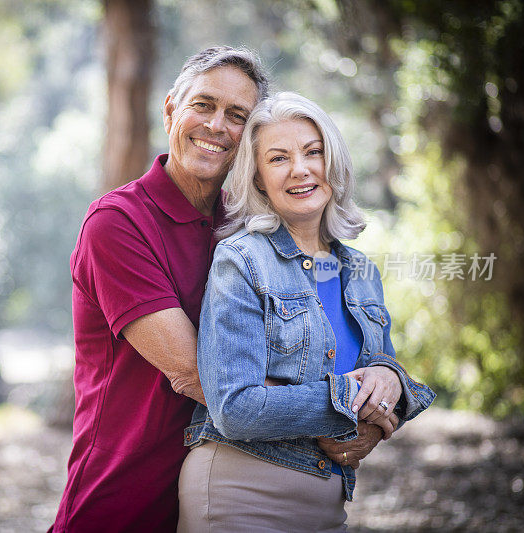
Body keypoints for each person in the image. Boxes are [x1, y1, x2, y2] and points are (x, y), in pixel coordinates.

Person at [178, 92, 436, 532]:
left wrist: (392, 384)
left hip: (328, 503)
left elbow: (382, 375)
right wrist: (347, 402)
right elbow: (235, 407)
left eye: (313, 152)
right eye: (278, 158)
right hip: (240, 496)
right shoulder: (241, 261)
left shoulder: (359, 269)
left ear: (331, 164)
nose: (300, 169)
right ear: (258, 179)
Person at [49, 46, 269, 533]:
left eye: (238, 116)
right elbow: (197, 373)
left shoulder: (246, 228)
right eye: (204, 105)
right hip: (123, 501)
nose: (216, 126)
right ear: (171, 108)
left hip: (223, 503)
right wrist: (329, 418)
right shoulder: (117, 223)